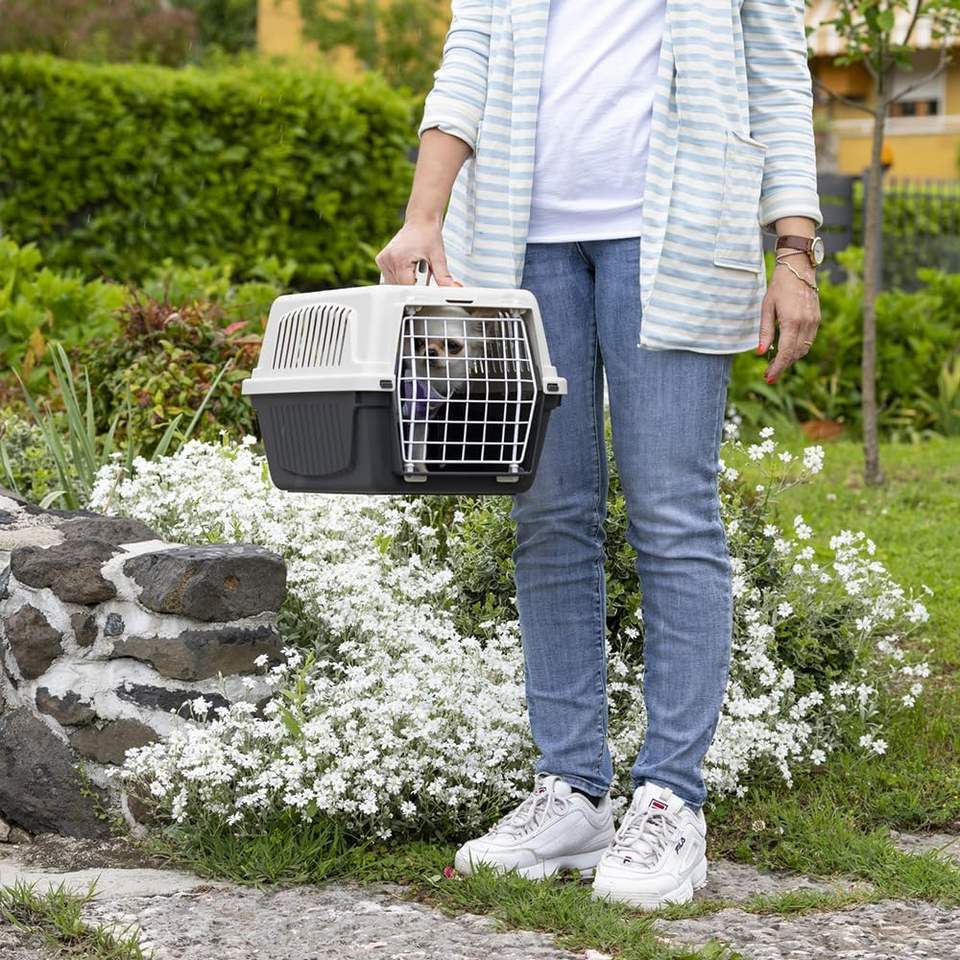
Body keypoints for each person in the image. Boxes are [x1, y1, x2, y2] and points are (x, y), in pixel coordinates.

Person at [376, 0, 823, 909]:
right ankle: (572, 791)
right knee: (547, 516)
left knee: (673, 515)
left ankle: (671, 799)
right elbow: (469, 56)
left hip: (679, 234)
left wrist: (795, 252)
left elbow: (778, 82)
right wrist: (424, 217)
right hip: (519, 242)